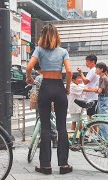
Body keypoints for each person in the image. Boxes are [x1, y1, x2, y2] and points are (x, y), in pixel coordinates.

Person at [26, 24, 73, 174]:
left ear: (42, 36)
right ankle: (64, 165)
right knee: (61, 127)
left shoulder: (39, 50)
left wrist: (29, 78)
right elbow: (70, 71)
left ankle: (45, 166)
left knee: (45, 127)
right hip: (59, 86)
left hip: (45, 86)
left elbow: (28, 67)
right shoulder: (63, 51)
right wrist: (67, 88)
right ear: (56, 35)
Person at [33, 62, 58, 148]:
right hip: (51, 101)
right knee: (50, 121)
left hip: (41, 102)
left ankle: (42, 141)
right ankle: (54, 139)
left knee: (40, 121)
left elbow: (35, 92)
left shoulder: (38, 78)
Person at [77, 54, 100, 120]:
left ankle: (93, 130)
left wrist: (81, 73)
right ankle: (92, 130)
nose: (86, 63)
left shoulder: (93, 70)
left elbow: (85, 81)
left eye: (87, 61)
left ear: (92, 62)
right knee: (91, 116)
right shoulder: (93, 70)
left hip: (91, 97)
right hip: (92, 96)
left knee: (91, 117)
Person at [95, 62, 108, 140]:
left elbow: (100, 90)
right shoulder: (103, 77)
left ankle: (107, 140)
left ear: (101, 69)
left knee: (103, 121)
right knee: (101, 120)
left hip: (103, 99)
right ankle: (101, 139)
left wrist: (92, 90)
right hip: (103, 99)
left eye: (97, 68)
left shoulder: (103, 77)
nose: (96, 69)